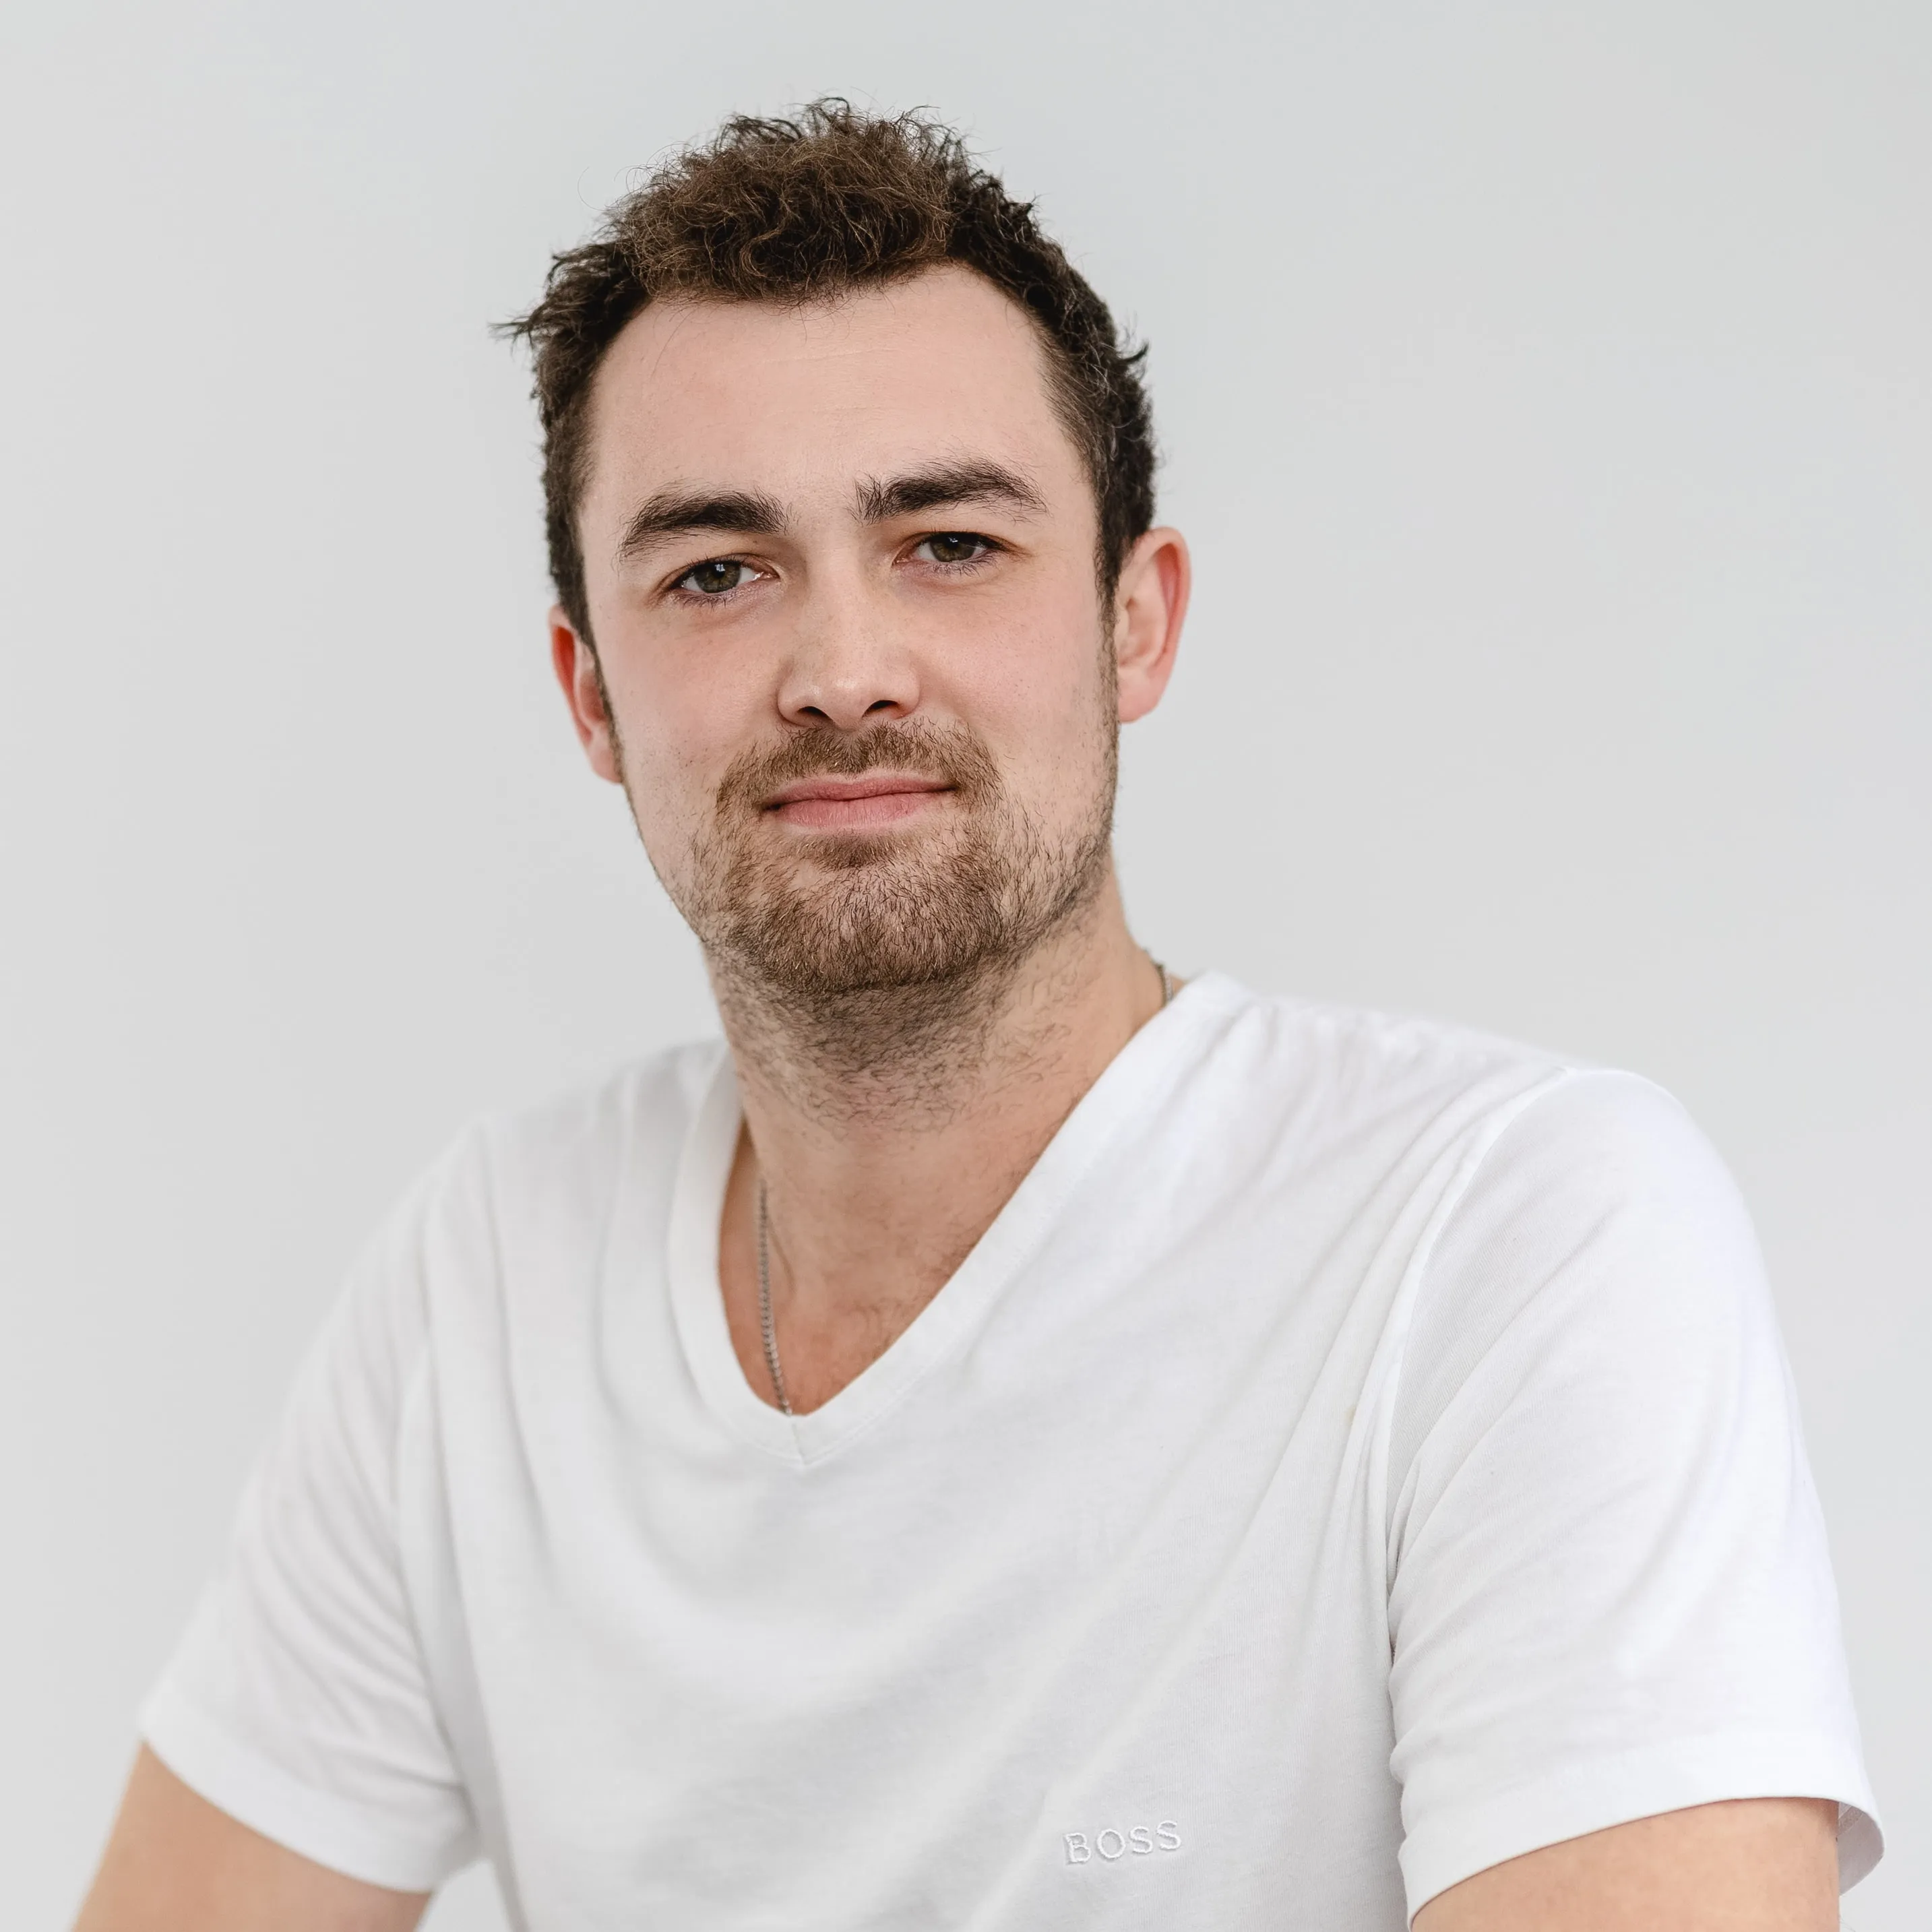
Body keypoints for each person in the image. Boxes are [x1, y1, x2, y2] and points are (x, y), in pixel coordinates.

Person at [75, 102, 1879, 1931]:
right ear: (592, 695)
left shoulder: (1507, 1241)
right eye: (716, 570)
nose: (841, 673)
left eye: (948, 543)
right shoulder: (485, 1286)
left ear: (1134, 626)